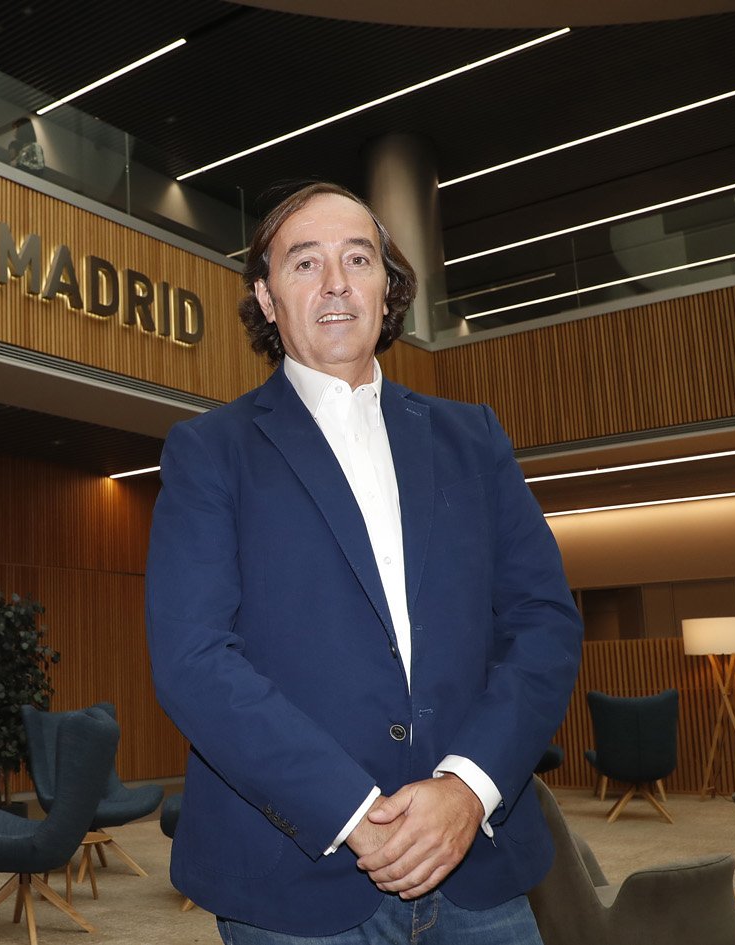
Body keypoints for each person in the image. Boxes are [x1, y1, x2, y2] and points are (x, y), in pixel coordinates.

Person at [145, 180, 582, 943]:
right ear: (267, 298)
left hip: (477, 866)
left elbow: (542, 621)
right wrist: (350, 813)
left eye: (357, 258)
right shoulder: (209, 452)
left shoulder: (472, 437)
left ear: (387, 288)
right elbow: (193, 659)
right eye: (303, 263)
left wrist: (468, 788)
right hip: (291, 880)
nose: (336, 281)